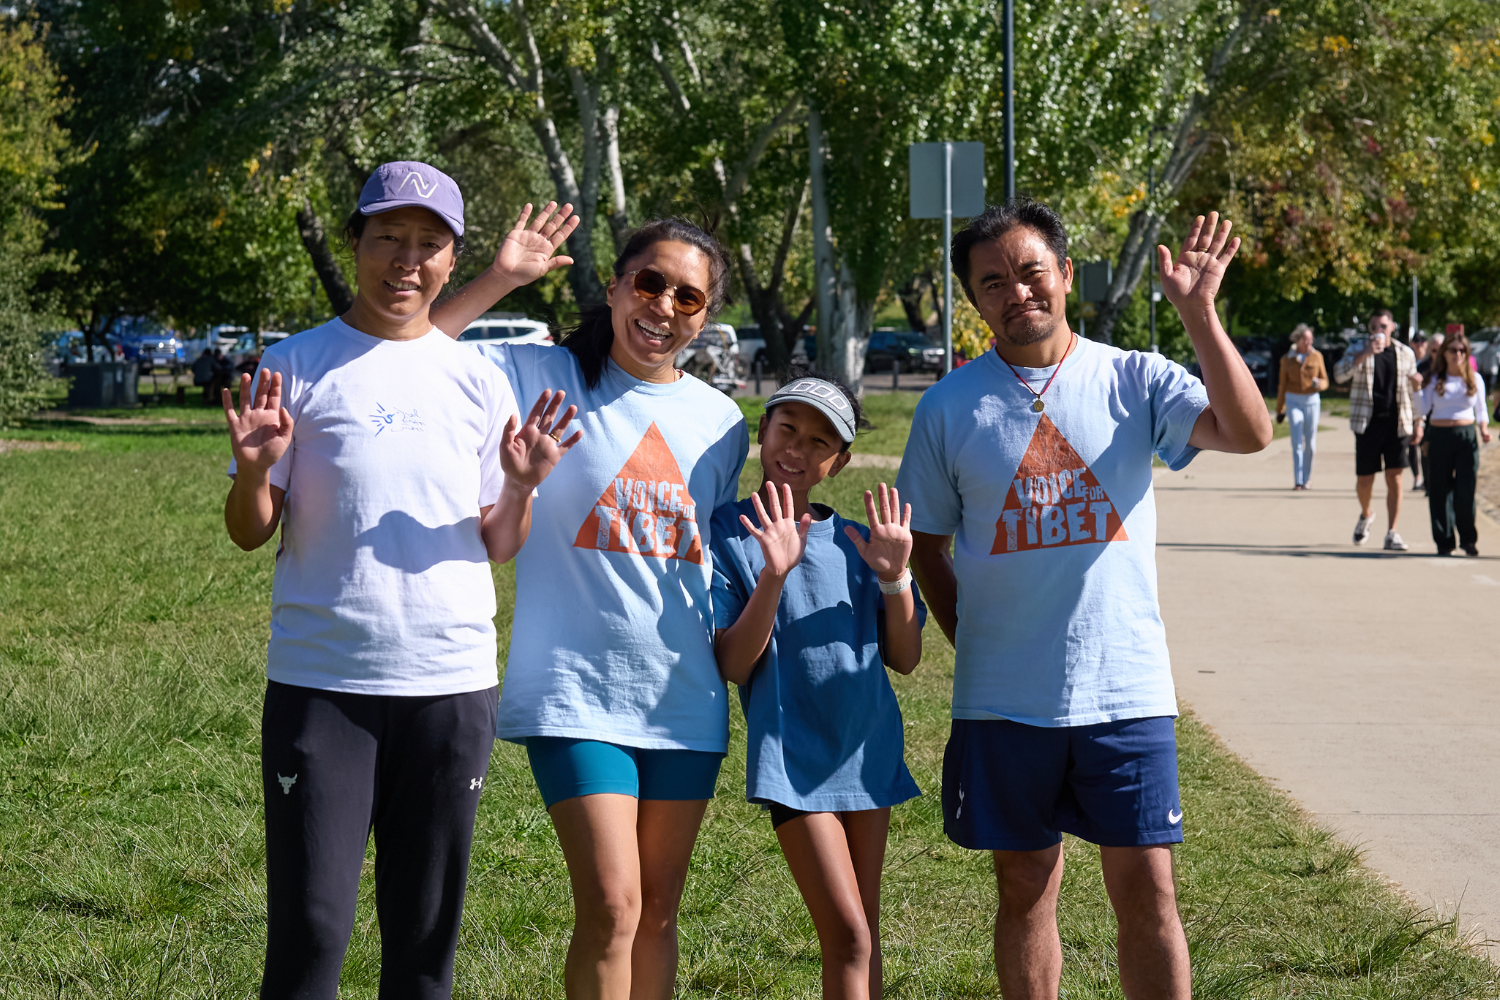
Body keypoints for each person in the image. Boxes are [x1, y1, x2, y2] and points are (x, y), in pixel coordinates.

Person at [223, 160, 581, 999]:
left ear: (453, 259)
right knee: (311, 934)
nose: (405, 260)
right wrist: (251, 474)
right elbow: (250, 534)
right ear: (356, 244)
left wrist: (523, 486)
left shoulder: (478, 377)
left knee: (424, 946)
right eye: (387, 237)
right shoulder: (298, 363)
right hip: (322, 684)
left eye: (428, 243)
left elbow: (500, 542)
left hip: (451, 686)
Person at [895, 202, 1271, 1000]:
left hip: (1125, 689)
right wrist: (970, 631)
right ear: (975, 300)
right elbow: (925, 541)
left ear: (1066, 275)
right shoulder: (948, 408)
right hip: (1003, 699)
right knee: (1025, 886)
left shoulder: (1134, 377)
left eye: (1032, 272)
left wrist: (1199, 315)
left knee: (1149, 892)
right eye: (993, 282)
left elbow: (1248, 431)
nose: (1017, 292)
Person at [431, 219, 747, 1000]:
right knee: (612, 905)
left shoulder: (723, 424)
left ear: (704, 317)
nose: (664, 306)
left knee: (659, 916)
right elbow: (417, 350)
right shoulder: (543, 373)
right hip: (575, 695)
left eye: (687, 296)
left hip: (685, 699)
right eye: (648, 283)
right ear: (612, 287)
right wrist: (500, 278)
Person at [709, 373, 925, 1000]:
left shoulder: (860, 542)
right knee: (849, 934)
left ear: (840, 462)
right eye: (788, 430)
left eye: (819, 441)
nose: (797, 449)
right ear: (763, 430)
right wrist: (774, 575)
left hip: (868, 752)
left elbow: (906, 659)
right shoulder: (729, 533)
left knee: (863, 932)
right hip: (793, 760)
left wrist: (895, 577)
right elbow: (733, 663)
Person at [1333, 309, 1417, 550]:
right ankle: (1366, 513)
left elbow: (1412, 391)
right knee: (1365, 480)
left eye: (1382, 326)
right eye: (1373, 327)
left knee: (1395, 477)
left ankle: (1392, 532)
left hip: (1397, 423)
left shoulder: (1405, 353)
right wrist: (1365, 352)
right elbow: (1339, 375)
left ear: (1392, 327)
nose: (1378, 331)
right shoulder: (1358, 348)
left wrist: (1418, 422)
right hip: (1367, 424)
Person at [1412, 332, 1491, 556]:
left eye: (1462, 350)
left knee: (1465, 490)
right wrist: (1416, 389)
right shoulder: (1434, 379)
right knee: (1439, 489)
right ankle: (1444, 541)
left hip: (1465, 436)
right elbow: (1423, 409)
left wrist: (1483, 429)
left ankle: (1468, 539)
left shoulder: (1474, 379)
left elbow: (1481, 409)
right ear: (1444, 353)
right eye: (1453, 350)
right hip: (1439, 435)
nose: (1457, 354)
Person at [1275, 323, 1328, 490]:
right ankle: (1298, 481)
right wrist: (1279, 409)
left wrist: (1321, 384)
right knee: (1297, 439)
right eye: (1306, 339)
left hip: (1312, 400)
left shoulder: (1317, 356)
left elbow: (1325, 380)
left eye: (1311, 339)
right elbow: (1282, 386)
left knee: (1310, 442)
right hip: (1293, 400)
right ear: (1297, 340)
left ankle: (1307, 478)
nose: (1309, 342)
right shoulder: (1286, 359)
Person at [1407, 332, 1429, 489]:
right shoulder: (1408, 362)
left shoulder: (1431, 364)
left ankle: (1428, 479)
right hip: (1409, 407)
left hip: (1426, 408)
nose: (1419, 344)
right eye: (1416, 341)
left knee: (1425, 445)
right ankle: (1417, 478)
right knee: (1412, 444)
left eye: (1422, 341)